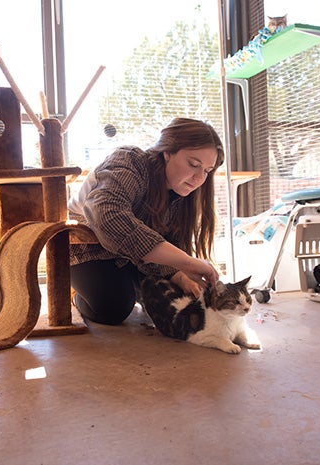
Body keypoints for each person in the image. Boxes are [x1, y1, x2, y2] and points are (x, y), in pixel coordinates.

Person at [68, 117, 224, 325]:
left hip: (136, 254)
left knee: (182, 298)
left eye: (206, 170)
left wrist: (179, 274)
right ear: (167, 152)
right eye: (193, 164)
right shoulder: (128, 161)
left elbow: (170, 243)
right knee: (113, 308)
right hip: (87, 246)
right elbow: (109, 217)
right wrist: (186, 262)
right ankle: (77, 295)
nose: (199, 178)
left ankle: (132, 286)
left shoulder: (181, 192)